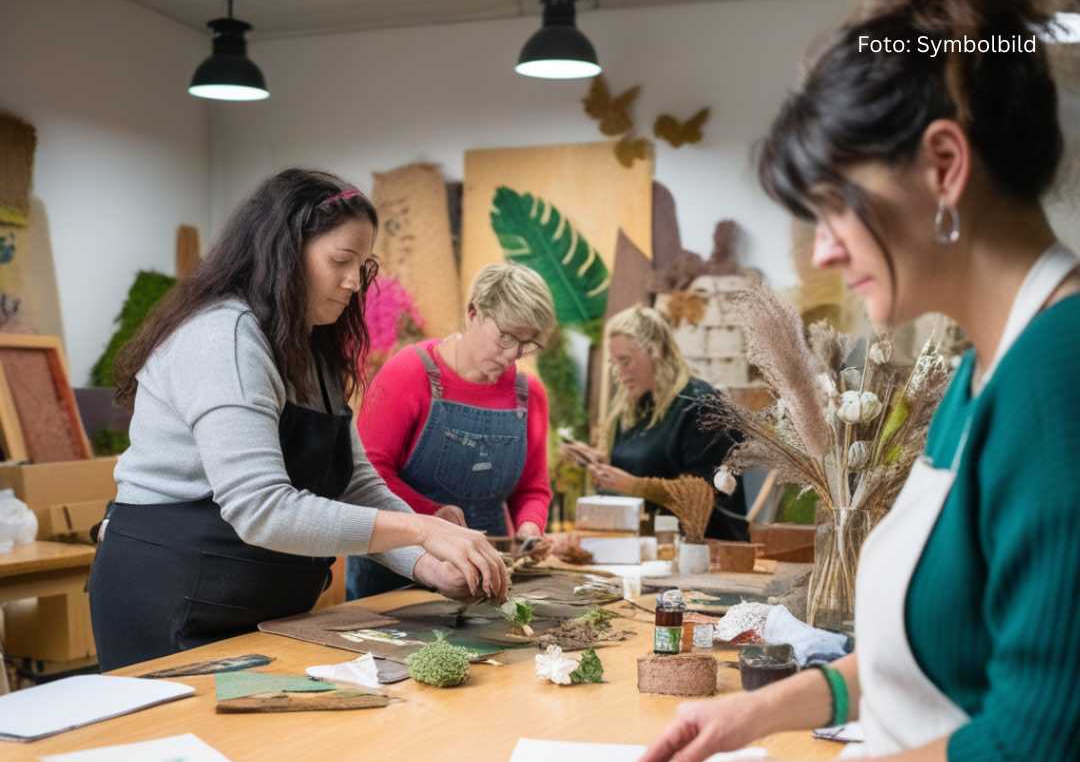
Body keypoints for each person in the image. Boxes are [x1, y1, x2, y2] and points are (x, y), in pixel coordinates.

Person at [620, 0, 1080, 762]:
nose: (823, 250)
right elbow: (947, 642)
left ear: (944, 167)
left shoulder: (1058, 379)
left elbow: (1043, 750)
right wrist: (761, 713)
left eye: (835, 205)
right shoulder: (984, 366)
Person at [90, 168, 507, 672]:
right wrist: (418, 530)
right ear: (285, 251)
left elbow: (353, 485)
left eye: (363, 265)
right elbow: (261, 508)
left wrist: (428, 565)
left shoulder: (310, 346)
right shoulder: (226, 338)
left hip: (253, 607)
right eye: (340, 261)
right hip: (173, 599)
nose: (354, 282)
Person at [350, 263, 556, 598]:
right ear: (473, 312)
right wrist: (431, 512)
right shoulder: (408, 374)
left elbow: (532, 488)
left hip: (487, 568)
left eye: (528, 344)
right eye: (505, 337)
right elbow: (368, 476)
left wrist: (529, 528)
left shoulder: (528, 394)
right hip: (397, 565)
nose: (513, 355)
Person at [564, 305, 747, 540]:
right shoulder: (636, 407)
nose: (619, 372)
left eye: (626, 361)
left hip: (705, 552)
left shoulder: (701, 405)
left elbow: (703, 493)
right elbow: (650, 466)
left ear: (656, 351)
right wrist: (603, 463)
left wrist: (632, 485)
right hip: (647, 547)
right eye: (614, 363)